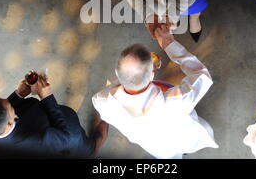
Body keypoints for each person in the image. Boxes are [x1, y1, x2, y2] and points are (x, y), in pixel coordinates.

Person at [92, 23, 219, 159]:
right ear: (152, 75)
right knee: (188, 143)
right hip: (181, 135)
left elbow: (113, 89)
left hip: (156, 147)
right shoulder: (177, 101)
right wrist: (168, 43)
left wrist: (126, 78)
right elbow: (201, 76)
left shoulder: (101, 101)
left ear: (117, 73)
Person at [0, 74, 108, 157]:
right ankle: (105, 121)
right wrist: (47, 97)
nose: (10, 103)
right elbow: (64, 136)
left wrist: (18, 94)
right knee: (87, 145)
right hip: (63, 131)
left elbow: (0, 112)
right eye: (10, 107)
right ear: (9, 123)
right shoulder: (38, 138)